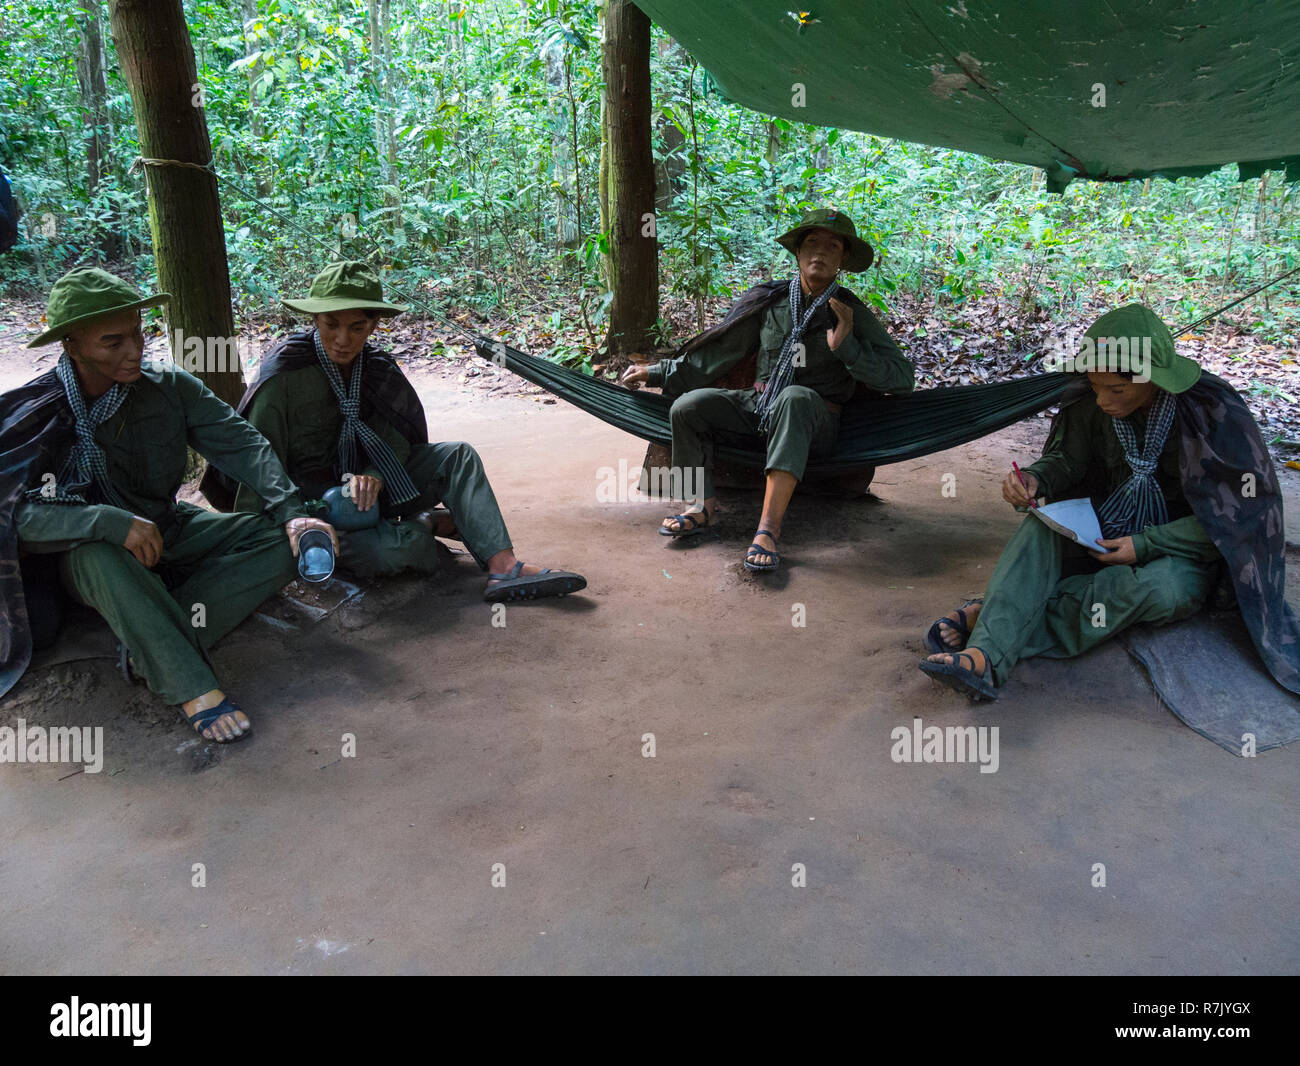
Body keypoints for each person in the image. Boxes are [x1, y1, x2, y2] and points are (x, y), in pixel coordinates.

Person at [0, 267, 337, 742]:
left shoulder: (168, 387)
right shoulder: (39, 413)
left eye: (139, 333)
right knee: (98, 553)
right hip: (92, 556)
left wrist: (291, 510)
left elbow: (240, 443)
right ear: (71, 346)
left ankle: (150, 642)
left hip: (170, 528)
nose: (134, 350)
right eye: (112, 342)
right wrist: (107, 522)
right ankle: (191, 686)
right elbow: (13, 518)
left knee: (287, 536)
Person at [921, 303, 1300, 701]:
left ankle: (996, 618)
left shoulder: (1212, 414)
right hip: (1104, 527)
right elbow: (1068, 459)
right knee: (1040, 527)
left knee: (1163, 591)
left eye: (1116, 390)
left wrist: (1147, 545)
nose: (1102, 400)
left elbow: (1240, 522)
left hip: (1180, 551)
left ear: (1153, 380)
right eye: (1096, 386)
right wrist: (1034, 476)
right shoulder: (1090, 401)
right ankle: (985, 659)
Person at [204, 260, 586, 603]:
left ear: (373, 324)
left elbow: (397, 437)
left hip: (378, 490)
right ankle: (426, 525)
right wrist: (258, 540)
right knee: (386, 554)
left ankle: (504, 568)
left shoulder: (377, 368)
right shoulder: (284, 375)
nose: (343, 339)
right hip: (311, 503)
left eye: (357, 327)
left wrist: (375, 474)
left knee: (458, 455)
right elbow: (258, 462)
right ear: (314, 321)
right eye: (331, 325)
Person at [620, 208, 913, 570]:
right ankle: (700, 505)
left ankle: (768, 530)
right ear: (797, 253)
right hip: (760, 406)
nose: (819, 252)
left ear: (844, 259)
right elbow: (719, 354)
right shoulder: (771, 302)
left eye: (832, 246)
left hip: (816, 421)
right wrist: (658, 372)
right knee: (687, 407)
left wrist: (847, 347)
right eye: (811, 243)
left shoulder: (849, 312)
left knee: (795, 397)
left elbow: (901, 377)